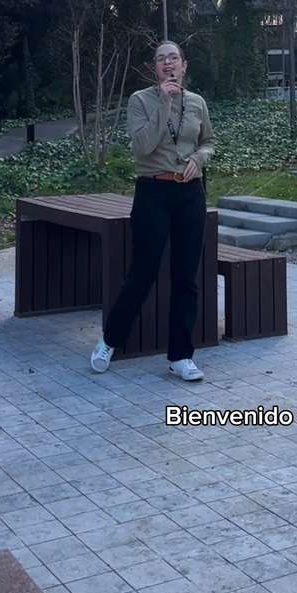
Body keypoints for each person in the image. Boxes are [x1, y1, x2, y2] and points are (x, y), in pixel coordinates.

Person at [90, 41, 215, 380]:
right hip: (152, 191)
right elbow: (143, 146)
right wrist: (164, 99)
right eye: (161, 59)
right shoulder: (140, 101)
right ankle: (109, 340)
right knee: (142, 272)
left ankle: (180, 356)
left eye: (173, 58)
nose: (168, 63)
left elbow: (208, 142)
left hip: (190, 192)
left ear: (184, 65)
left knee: (186, 276)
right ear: (155, 68)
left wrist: (198, 159)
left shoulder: (198, 103)